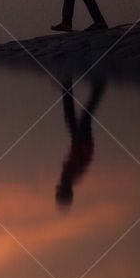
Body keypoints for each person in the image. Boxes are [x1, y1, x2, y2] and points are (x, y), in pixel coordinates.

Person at [55, 75, 106, 208]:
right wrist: (79, 142)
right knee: (83, 117)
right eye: (60, 191)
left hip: (79, 142)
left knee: (75, 116)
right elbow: (81, 158)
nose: (57, 188)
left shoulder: (69, 177)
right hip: (82, 142)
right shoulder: (71, 177)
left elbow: (76, 158)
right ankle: (97, 87)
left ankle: (67, 84)